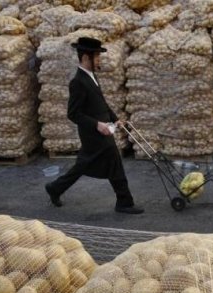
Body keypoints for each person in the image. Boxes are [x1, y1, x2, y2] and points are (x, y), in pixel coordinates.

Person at [45, 37, 144, 214]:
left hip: (102, 131)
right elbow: (73, 113)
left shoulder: (91, 77)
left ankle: (55, 188)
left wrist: (115, 119)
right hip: (93, 135)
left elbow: (101, 103)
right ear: (85, 58)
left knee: (86, 165)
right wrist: (97, 124)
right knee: (111, 163)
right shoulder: (78, 82)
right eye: (97, 56)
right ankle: (124, 202)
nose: (99, 60)